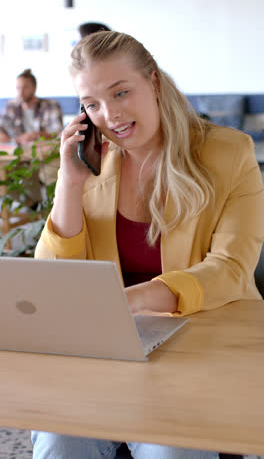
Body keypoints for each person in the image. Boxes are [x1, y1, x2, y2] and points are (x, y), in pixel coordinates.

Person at [32, 31, 264, 459]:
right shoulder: (94, 162)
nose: (110, 114)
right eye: (92, 104)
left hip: (199, 351)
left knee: (171, 449)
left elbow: (231, 268)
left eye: (121, 92)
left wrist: (131, 300)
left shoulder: (230, 154)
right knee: (57, 442)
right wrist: (70, 181)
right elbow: (53, 278)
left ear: (154, 83)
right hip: (107, 358)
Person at [0, 69, 64, 204]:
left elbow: (57, 132)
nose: (20, 92)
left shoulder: (50, 105)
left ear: (34, 88)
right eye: (18, 88)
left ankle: (50, 209)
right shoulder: (11, 106)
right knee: (5, 176)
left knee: (50, 173)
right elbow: (2, 132)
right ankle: (35, 209)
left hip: (45, 153)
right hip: (19, 155)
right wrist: (18, 139)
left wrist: (35, 135)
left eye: (25, 87)